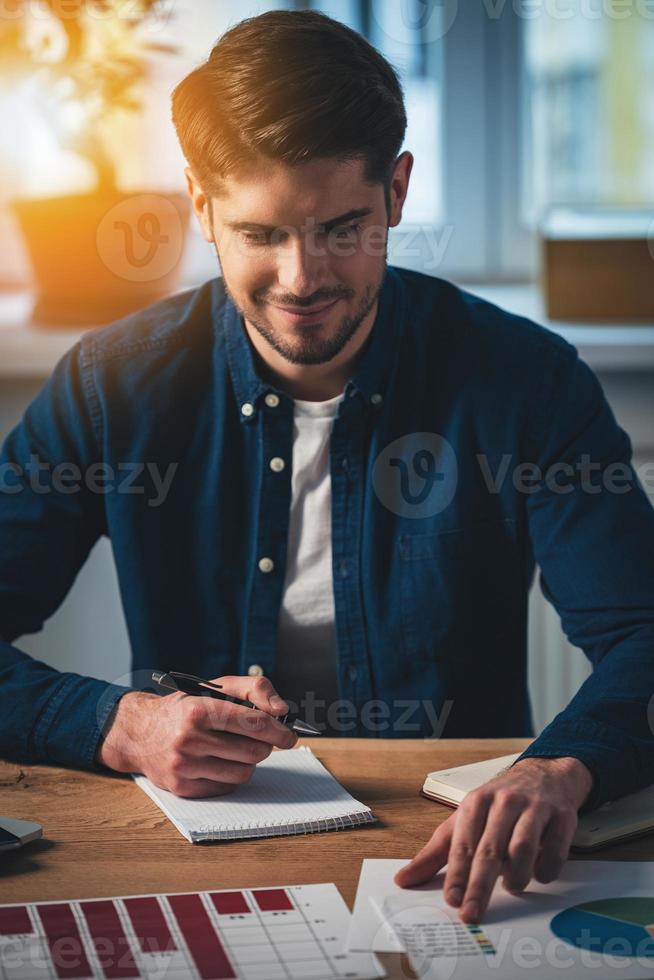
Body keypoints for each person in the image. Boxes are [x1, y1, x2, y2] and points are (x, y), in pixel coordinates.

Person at [1, 9, 653, 926]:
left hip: (456, 863)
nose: (303, 278)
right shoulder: (114, 386)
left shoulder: (525, 382)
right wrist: (120, 723)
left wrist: (565, 763)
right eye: (261, 233)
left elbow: (643, 633)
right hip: (191, 852)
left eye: (341, 227)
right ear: (201, 206)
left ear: (396, 191)